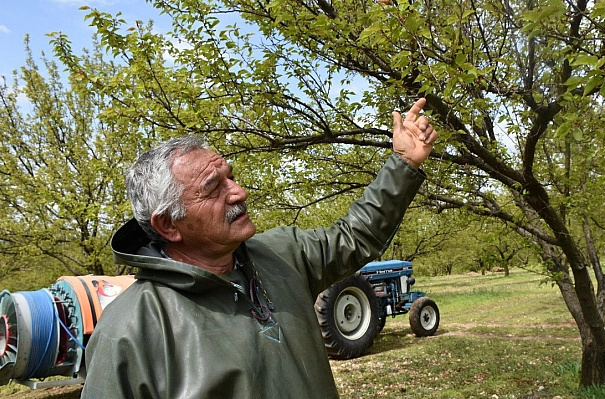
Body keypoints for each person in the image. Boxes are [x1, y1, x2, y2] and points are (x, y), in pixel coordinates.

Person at [80, 98, 438, 399]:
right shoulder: (131, 329)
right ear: (169, 225)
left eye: (230, 176)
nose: (238, 192)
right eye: (213, 187)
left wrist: (403, 164)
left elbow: (355, 236)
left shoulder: (283, 255)